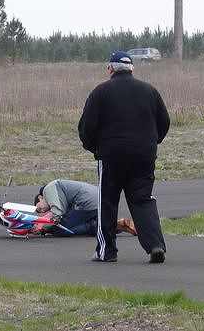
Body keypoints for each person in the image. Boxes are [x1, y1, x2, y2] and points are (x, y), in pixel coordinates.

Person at [78, 51, 170, 263]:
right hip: (144, 156)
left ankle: (107, 251)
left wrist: (94, 148)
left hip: (111, 156)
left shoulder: (100, 92)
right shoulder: (150, 91)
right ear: (132, 69)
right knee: (143, 200)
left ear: (110, 69)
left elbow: (87, 126)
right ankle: (155, 245)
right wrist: (151, 143)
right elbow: (164, 122)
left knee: (108, 202)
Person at [32, 179, 137, 237]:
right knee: (88, 228)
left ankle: (102, 225)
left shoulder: (48, 189)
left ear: (41, 198)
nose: (42, 211)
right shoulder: (59, 193)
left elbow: (57, 213)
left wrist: (45, 227)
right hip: (101, 199)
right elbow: (66, 213)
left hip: (87, 202)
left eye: (40, 208)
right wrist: (45, 230)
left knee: (62, 230)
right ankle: (115, 225)